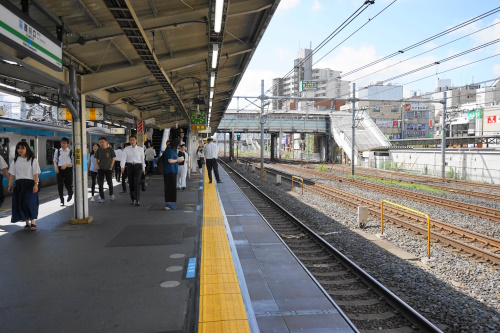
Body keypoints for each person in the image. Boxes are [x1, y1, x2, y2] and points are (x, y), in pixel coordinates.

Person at [7, 142, 40, 230]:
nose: (20, 150)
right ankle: (26, 222)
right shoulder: (15, 161)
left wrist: (36, 184)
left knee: (29, 202)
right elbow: (12, 175)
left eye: (22, 148)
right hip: (19, 184)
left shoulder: (33, 160)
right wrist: (9, 185)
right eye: (18, 148)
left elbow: (35, 174)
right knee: (21, 203)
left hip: (30, 184)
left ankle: (33, 221)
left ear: (27, 149)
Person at [121, 136, 145, 206]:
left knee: (137, 182)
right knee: (131, 183)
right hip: (130, 166)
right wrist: (122, 166)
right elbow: (123, 158)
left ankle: (137, 200)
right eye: (131, 140)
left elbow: (142, 159)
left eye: (133, 140)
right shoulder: (126, 149)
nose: (132, 141)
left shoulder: (140, 149)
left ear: (136, 140)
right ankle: (133, 199)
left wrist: (144, 168)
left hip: (138, 166)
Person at [95, 137, 116, 204]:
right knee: (100, 184)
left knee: (110, 183)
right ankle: (102, 197)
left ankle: (111, 194)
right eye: (100, 142)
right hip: (101, 169)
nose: (101, 143)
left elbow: (113, 159)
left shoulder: (110, 150)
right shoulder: (98, 150)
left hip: (108, 169)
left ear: (106, 142)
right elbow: (96, 159)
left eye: (102, 142)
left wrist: (111, 167)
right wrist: (98, 167)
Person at [53, 137, 73, 206]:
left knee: (68, 185)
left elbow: (72, 162)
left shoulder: (70, 151)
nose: (63, 144)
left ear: (67, 144)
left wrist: (66, 165)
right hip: (60, 169)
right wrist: (56, 167)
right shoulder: (57, 151)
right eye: (62, 143)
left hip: (68, 169)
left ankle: (70, 193)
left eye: (64, 143)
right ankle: (61, 200)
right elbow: (55, 159)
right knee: (60, 185)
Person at [164, 138, 182, 210]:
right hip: (170, 171)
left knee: (171, 187)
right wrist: (177, 160)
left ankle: (169, 203)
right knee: (169, 188)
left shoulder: (171, 150)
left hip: (173, 171)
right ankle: (168, 204)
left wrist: (178, 160)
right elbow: (170, 160)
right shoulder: (170, 150)